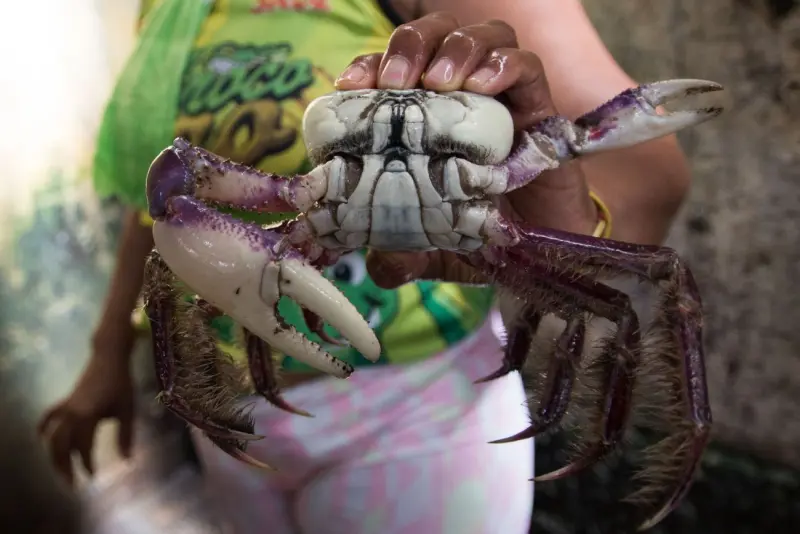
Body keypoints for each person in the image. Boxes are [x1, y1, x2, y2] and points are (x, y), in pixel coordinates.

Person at [37, 0, 693, 533]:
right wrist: (107, 352)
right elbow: (164, 202)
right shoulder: (170, 9)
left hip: (415, 415)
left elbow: (643, 184)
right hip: (239, 414)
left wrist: (554, 232)